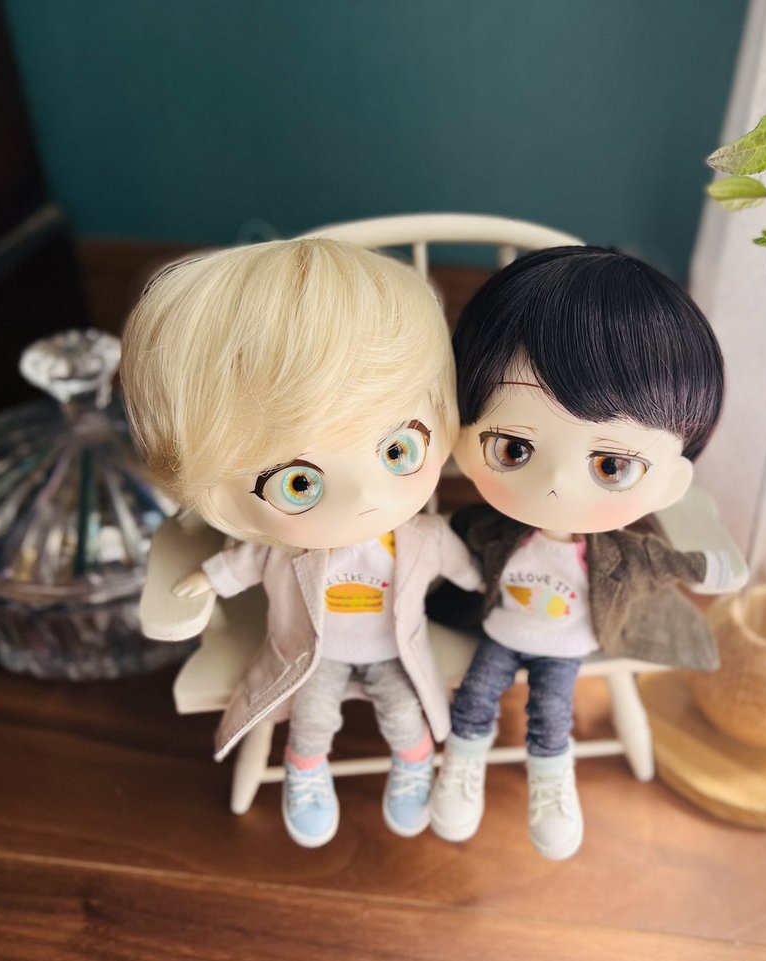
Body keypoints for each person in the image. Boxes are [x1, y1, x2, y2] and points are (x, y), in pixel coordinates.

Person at [121, 238, 481, 848]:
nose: (365, 497)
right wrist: (208, 577)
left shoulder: (421, 536)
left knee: (404, 713)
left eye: (399, 450)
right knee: (311, 719)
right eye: (299, 483)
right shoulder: (285, 551)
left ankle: (415, 761)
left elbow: (463, 566)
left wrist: (485, 585)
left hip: (395, 647)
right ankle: (306, 770)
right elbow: (243, 562)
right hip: (316, 651)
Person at [428, 246, 734, 860]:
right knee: (477, 694)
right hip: (501, 628)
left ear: (669, 483)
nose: (556, 486)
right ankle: (462, 762)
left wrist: (702, 566)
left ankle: (551, 777)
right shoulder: (487, 529)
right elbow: (446, 548)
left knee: (552, 711)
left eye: (611, 465)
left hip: (568, 640)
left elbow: (659, 563)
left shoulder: (616, 553)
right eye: (513, 448)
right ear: (462, 441)